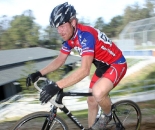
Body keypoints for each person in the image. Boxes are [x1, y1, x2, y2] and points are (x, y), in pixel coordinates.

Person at [26, 2, 127, 130]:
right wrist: (39, 73)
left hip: (117, 64)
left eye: (62, 26)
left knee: (97, 92)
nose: (59, 31)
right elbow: (60, 59)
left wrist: (57, 85)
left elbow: (85, 70)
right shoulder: (70, 37)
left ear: (73, 22)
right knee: (91, 101)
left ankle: (107, 115)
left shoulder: (86, 36)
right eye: (57, 27)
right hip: (103, 67)